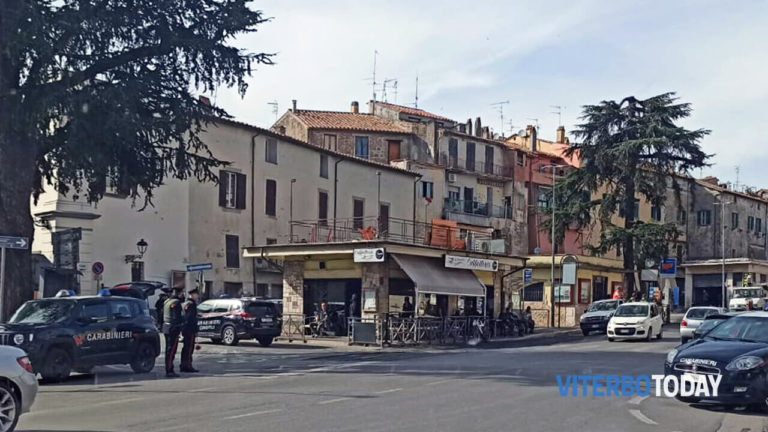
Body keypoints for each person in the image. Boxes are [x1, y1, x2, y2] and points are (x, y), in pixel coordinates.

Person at [163, 287, 185, 378]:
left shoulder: (167, 302)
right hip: (173, 329)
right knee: (171, 350)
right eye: (182, 293)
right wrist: (181, 326)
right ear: (178, 294)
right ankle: (169, 370)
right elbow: (177, 317)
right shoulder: (176, 303)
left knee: (168, 350)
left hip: (166, 327)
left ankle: (169, 368)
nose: (183, 295)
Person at [180, 287, 200, 373]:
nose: (197, 296)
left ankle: (183, 364)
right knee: (189, 348)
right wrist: (195, 329)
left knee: (186, 348)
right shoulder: (191, 304)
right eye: (196, 294)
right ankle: (187, 365)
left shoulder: (185, 303)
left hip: (185, 329)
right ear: (192, 295)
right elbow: (190, 318)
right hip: (190, 329)